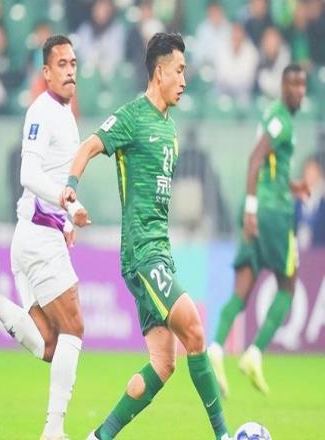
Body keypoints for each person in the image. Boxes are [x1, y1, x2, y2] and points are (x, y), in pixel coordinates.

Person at [60, 32, 230, 440]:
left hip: (160, 252)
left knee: (163, 364)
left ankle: (99, 436)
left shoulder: (170, 130)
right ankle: (224, 435)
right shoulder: (133, 117)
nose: (184, 80)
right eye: (179, 71)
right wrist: (71, 187)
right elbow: (87, 147)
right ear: (159, 72)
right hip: (141, 253)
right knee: (195, 331)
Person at [0, 35, 90, 440]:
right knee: (74, 329)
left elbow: (53, 178)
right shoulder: (42, 112)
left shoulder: (65, 113)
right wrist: (65, 202)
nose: (70, 70)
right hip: (39, 239)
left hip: (35, 236)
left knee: (49, 344)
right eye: (61, 64)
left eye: (73, 63)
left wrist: (68, 217)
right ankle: (54, 430)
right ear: (45, 72)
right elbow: (28, 175)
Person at [207, 64, 309, 398]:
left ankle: (216, 348)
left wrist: (292, 185)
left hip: (260, 206)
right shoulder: (281, 119)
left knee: (242, 289)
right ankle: (254, 353)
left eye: (303, 85)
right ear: (282, 85)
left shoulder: (273, 116)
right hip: (273, 213)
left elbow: (268, 168)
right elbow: (254, 160)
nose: (299, 91)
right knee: (288, 284)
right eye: (293, 84)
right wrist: (253, 207)